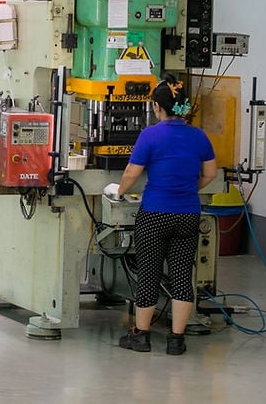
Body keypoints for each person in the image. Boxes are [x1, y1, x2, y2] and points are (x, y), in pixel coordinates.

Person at [110, 76, 218, 356]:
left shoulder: (150, 135)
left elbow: (132, 172)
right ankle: (176, 340)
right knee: (182, 276)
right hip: (188, 215)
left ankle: (141, 336)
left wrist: (119, 191)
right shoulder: (199, 136)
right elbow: (210, 174)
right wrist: (186, 189)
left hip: (155, 213)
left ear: (157, 107)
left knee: (148, 274)